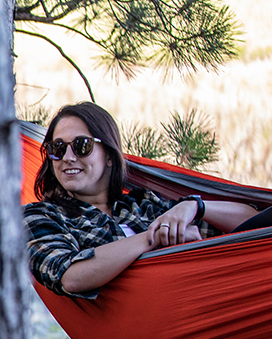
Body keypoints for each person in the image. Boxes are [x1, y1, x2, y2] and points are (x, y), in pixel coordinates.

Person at [23, 102, 258, 298]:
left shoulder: (143, 205)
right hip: (130, 328)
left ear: (109, 156)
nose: (68, 157)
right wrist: (153, 238)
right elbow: (70, 277)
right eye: (58, 148)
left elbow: (255, 226)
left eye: (81, 146)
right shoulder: (40, 216)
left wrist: (194, 207)